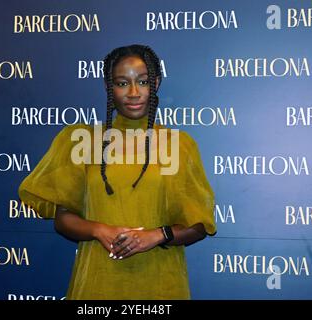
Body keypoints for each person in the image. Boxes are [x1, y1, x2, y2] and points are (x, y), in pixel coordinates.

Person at [18, 44, 216, 300]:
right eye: (122, 83)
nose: (133, 93)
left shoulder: (178, 145)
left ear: (155, 84)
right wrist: (99, 230)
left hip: (159, 284)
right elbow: (62, 219)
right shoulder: (82, 140)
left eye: (142, 81)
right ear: (108, 87)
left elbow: (199, 226)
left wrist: (156, 235)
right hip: (97, 283)